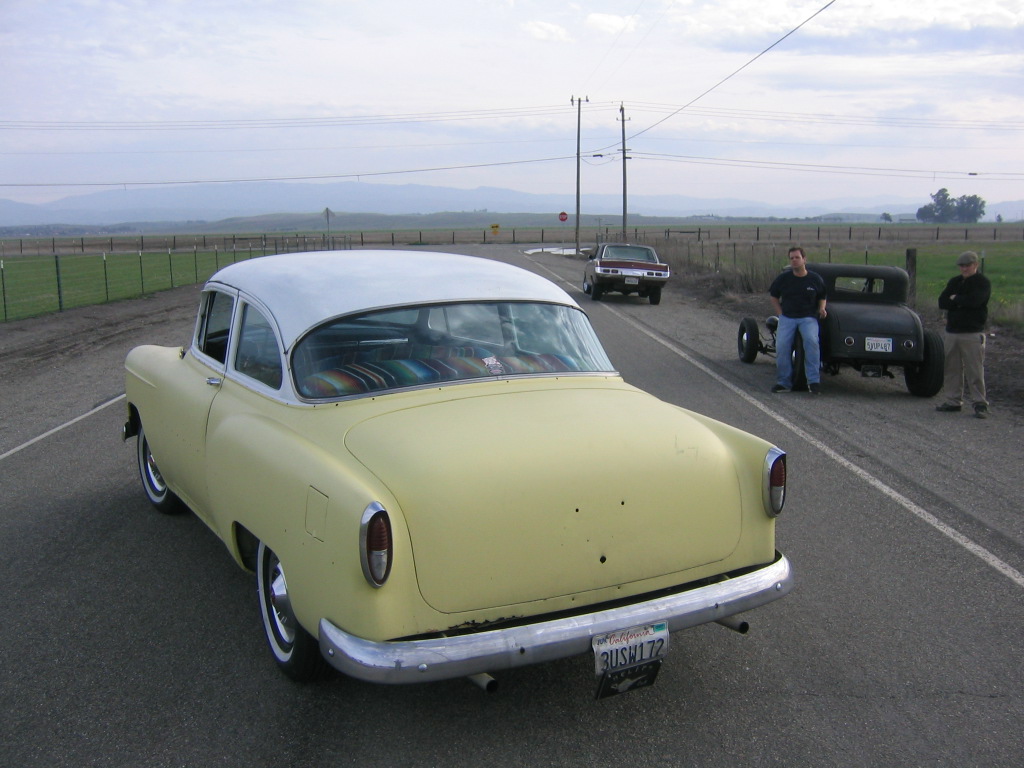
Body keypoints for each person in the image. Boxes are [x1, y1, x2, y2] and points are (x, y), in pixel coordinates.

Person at [936, 251, 991, 418]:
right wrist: (960, 300)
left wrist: (956, 299)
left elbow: (976, 301)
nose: (964, 268)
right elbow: (942, 301)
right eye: (962, 266)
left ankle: (980, 404)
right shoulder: (955, 281)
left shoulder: (982, 282)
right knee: (952, 368)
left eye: (968, 265)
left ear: (975, 265)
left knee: (975, 370)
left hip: (972, 333)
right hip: (952, 332)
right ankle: (953, 401)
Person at [768, 247, 827, 394]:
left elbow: (822, 296)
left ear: (804, 259)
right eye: (792, 258)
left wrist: (821, 309)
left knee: (812, 342)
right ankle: (784, 383)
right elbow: (774, 297)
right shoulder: (784, 279)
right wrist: (780, 314)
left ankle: (813, 382)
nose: (794, 260)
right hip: (788, 317)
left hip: (808, 318)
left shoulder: (815, 279)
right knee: (782, 347)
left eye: (797, 257)